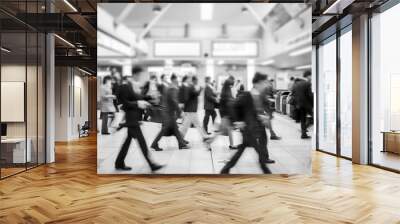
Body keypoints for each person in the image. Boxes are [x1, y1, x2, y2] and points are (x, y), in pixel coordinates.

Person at [221, 72, 275, 174]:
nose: (266, 85)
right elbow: (232, 106)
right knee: (258, 151)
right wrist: (238, 121)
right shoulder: (247, 95)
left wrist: (263, 117)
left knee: (243, 149)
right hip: (248, 129)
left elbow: (256, 110)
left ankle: (226, 169)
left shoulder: (259, 95)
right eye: (264, 82)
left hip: (255, 127)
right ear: (257, 83)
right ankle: (266, 171)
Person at [115, 66, 163, 172]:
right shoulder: (125, 86)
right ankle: (152, 165)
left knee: (127, 142)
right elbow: (125, 103)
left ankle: (119, 163)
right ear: (136, 74)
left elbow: (137, 98)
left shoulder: (133, 85)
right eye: (140, 75)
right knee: (142, 143)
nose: (141, 77)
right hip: (132, 119)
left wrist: (149, 98)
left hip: (134, 118)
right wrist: (138, 103)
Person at [151, 74, 189, 151]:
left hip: (168, 111)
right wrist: (180, 111)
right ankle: (154, 144)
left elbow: (173, 100)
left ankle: (181, 143)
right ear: (174, 79)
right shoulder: (172, 88)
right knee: (164, 129)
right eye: (177, 79)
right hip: (168, 112)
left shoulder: (170, 86)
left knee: (175, 128)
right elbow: (174, 100)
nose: (178, 80)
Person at [180, 76, 209, 142]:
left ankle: (204, 136)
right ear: (194, 80)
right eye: (196, 80)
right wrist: (201, 89)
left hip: (191, 109)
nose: (197, 82)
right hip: (190, 109)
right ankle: (180, 137)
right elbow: (195, 93)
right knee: (185, 126)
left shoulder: (191, 86)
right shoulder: (191, 86)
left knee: (195, 125)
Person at [291, 70, 313, 139]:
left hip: (298, 105)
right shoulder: (307, 83)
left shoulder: (295, 84)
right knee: (315, 118)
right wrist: (313, 104)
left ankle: (303, 134)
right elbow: (310, 95)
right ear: (308, 76)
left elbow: (293, 94)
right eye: (311, 76)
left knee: (303, 119)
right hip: (306, 104)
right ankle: (304, 129)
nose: (311, 77)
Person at [218, 76, 238, 150]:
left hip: (225, 113)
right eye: (231, 85)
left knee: (228, 130)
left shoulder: (225, 90)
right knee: (221, 131)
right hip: (226, 114)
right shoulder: (226, 92)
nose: (231, 86)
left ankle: (232, 144)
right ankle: (208, 141)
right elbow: (229, 102)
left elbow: (231, 99)